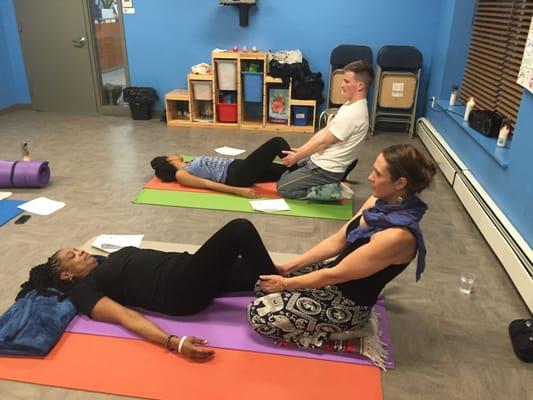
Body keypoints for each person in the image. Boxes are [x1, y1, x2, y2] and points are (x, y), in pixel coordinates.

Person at [248, 144, 437, 349]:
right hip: (333, 274)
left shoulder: (398, 236)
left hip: (346, 302)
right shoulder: (379, 200)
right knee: (262, 286)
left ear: (400, 183)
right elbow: (337, 241)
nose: (370, 177)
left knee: (259, 313)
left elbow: (336, 275)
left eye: (378, 173)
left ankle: (351, 329)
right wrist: (288, 267)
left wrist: (285, 284)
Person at [16, 219, 278, 362]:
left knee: (263, 269)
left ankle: (286, 285)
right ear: (66, 274)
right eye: (73, 255)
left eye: (77, 248)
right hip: (181, 289)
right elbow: (125, 317)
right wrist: (174, 343)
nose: (82, 251)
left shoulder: (104, 262)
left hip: (192, 269)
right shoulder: (84, 290)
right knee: (239, 229)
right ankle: (279, 296)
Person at [276, 60, 374, 199]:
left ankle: (333, 191)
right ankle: (330, 184)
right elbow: (324, 132)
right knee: (284, 177)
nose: (342, 85)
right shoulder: (350, 106)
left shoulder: (354, 114)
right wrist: (301, 150)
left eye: (346, 82)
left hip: (327, 170)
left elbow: (324, 142)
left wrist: (298, 157)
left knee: (283, 189)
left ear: (360, 85)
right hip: (319, 161)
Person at [150, 137, 293, 198]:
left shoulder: (188, 163)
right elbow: (208, 184)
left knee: (285, 172)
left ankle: (305, 177)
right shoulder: (181, 175)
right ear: (169, 159)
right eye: (170, 154)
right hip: (237, 174)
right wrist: (238, 191)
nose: (175, 153)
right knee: (276, 142)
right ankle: (299, 169)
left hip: (239, 166)